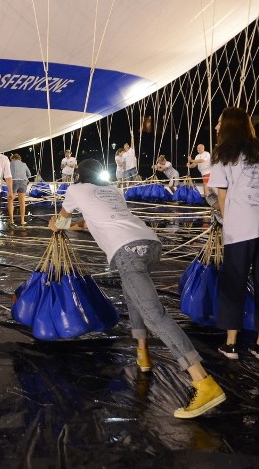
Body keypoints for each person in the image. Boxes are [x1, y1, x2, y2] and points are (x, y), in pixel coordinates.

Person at [50, 159, 225, 418]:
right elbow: (94, 221)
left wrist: (55, 225)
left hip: (127, 252)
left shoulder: (76, 190)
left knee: (155, 315)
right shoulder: (112, 190)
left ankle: (203, 381)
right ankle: (142, 354)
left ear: (78, 174)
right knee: (134, 297)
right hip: (149, 244)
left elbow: (62, 222)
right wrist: (78, 225)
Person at [208, 108, 259, 361]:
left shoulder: (223, 155)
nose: (217, 127)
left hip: (241, 226)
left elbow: (222, 195)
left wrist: (228, 219)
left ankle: (231, 344)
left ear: (228, 126)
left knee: (234, 283)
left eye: (219, 123)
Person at [8, 153, 32, 228]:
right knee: (22, 201)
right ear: (19, 159)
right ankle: (22, 220)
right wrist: (26, 180)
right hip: (23, 182)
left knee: (11, 200)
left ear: (13, 158)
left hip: (14, 181)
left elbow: (5, 174)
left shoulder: (10, 164)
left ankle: (11, 220)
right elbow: (29, 174)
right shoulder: (24, 164)